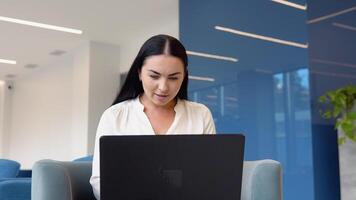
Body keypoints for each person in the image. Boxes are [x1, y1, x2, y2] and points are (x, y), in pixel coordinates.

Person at [89, 34, 216, 199]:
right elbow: (100, 182)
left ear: (184, 76)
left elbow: (211, 176)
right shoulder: (114, 116)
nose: (163, 87)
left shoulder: (201, 114)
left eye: (173, 78)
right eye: (154, 76)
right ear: (140, 73)